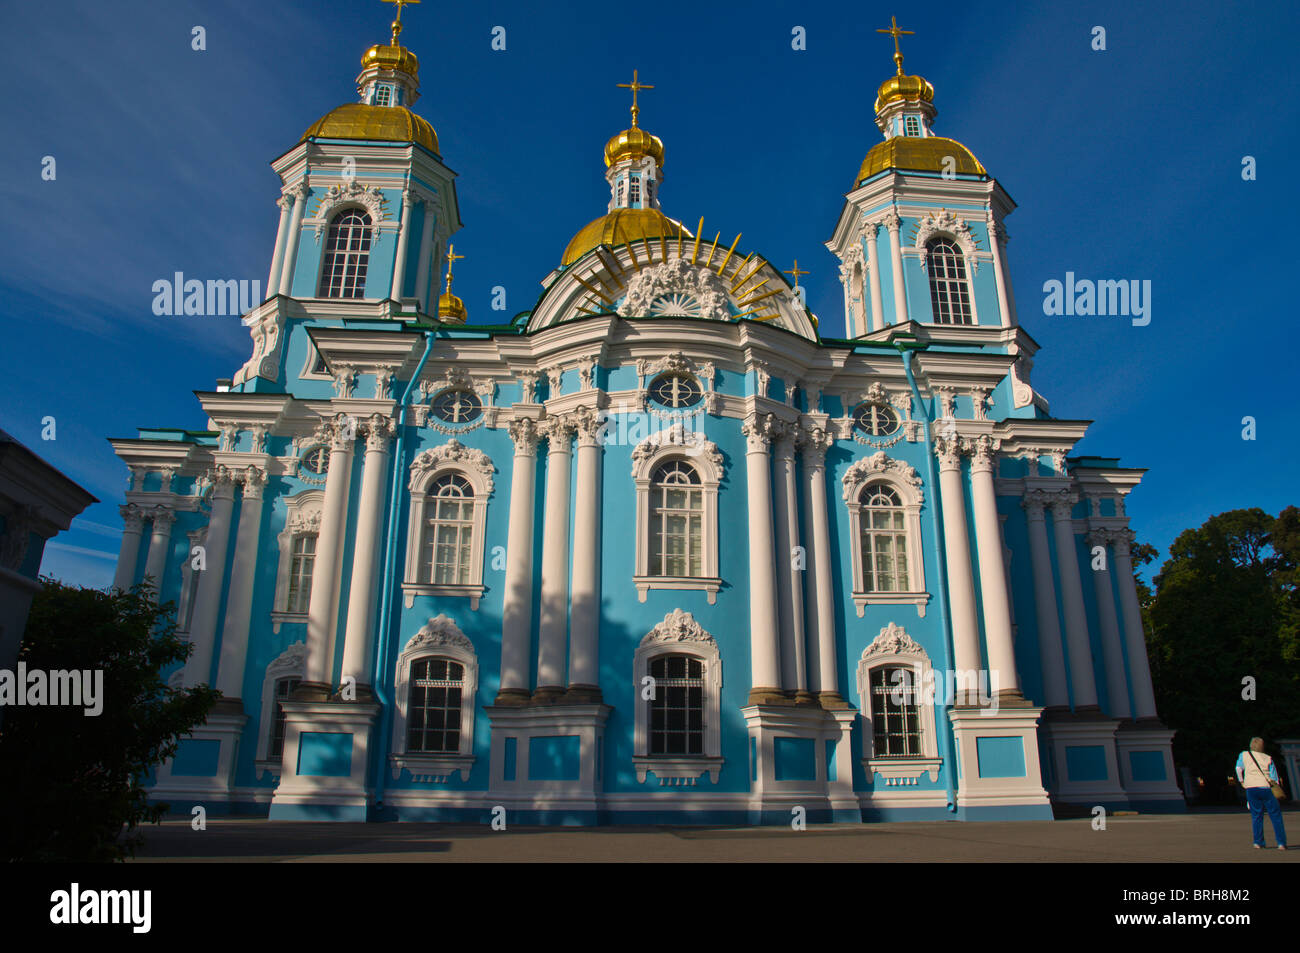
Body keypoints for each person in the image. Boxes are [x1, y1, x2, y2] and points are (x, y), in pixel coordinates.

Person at [1235, 737, 1287, 850]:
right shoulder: (1268, 758)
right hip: (1266, 787)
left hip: (1251, 788)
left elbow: (1238, 768)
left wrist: (1242, 782)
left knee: (1256, 816)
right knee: (1275, 816)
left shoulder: (1244, 755)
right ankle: (1281, 843)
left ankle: (1258, 842)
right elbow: (1274, 778)